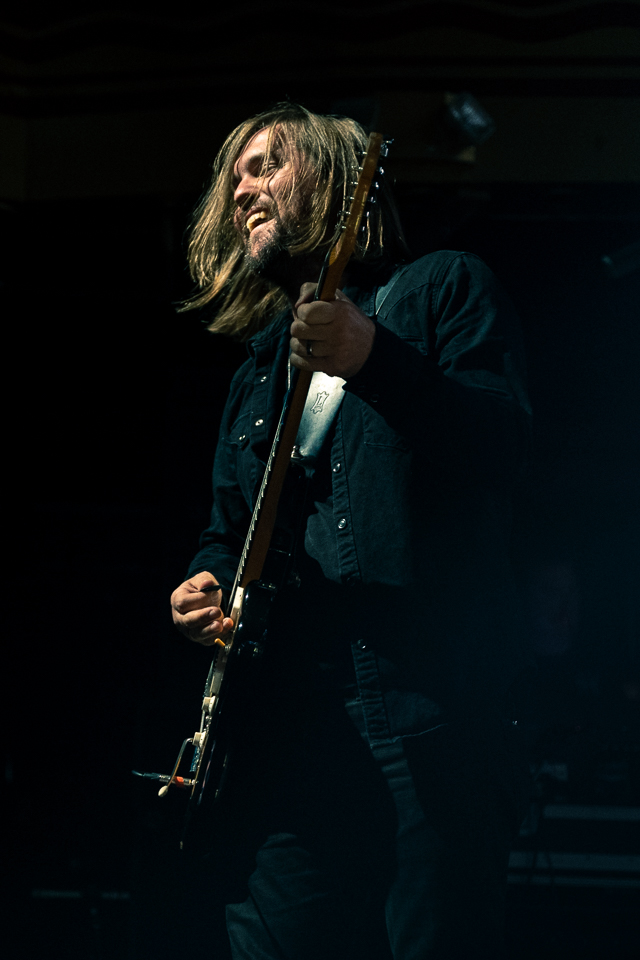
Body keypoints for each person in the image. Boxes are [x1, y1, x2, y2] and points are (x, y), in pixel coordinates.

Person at [169, 103, 532, 960]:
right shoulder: (259, 367)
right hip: (293, 720)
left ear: (332, 176)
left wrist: (377, 359)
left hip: (425, 710)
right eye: (234, 179)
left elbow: (506, 448)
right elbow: (230, 528)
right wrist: (205, 579)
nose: (242, 189)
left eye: (265, 165)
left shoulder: (444, 286)